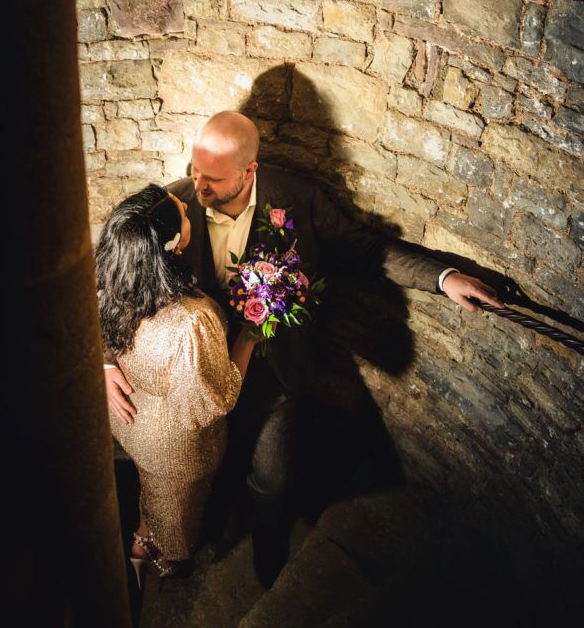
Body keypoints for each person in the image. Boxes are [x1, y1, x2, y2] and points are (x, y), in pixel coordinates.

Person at [104, 114, 504, 586]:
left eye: (212, 177)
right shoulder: (172, 208)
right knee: (198, 475)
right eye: (195, 170)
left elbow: (364, 248)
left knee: (272, 481)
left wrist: (444, 278)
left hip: (274, 370)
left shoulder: (297, 197)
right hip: (194, 383)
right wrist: (105, 361)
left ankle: (270, 570)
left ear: (248, 171)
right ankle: (194, 537)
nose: (198, 185)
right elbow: (114, 278)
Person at [96, 183, 258, 584]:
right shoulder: (190, 322)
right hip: (178, 447)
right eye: (182, 214)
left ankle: (144, 526)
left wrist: (105, 366)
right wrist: (249, 337)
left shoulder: (116, 272)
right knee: (175, 509)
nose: (186, 205)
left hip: (131, 417)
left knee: (151, 489)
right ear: (171, 243)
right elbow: (214, 400)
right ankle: (153, 549)